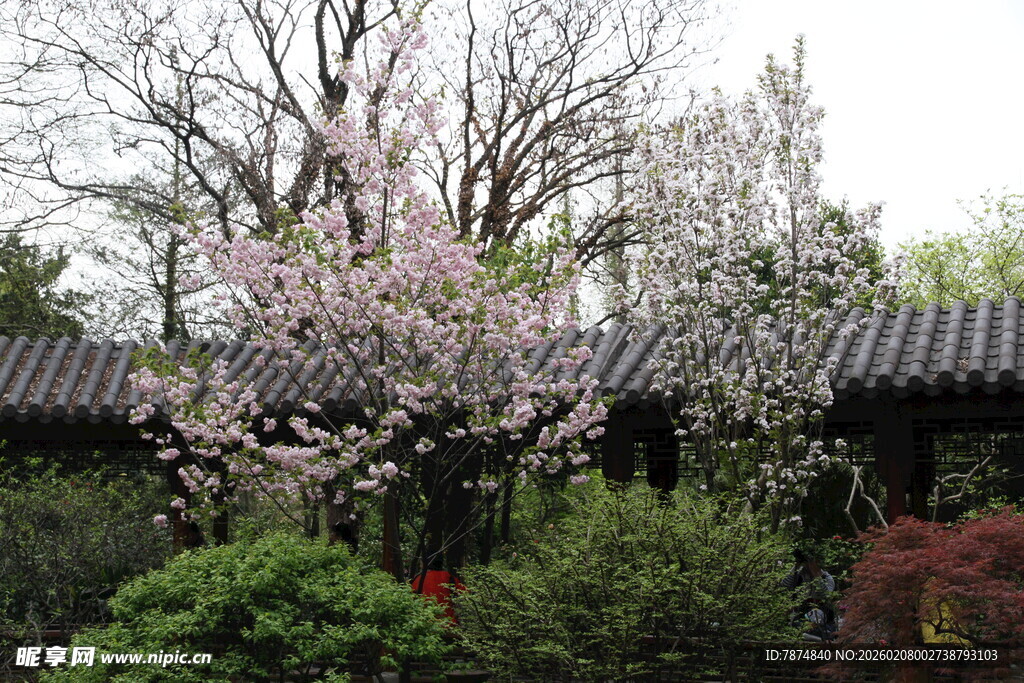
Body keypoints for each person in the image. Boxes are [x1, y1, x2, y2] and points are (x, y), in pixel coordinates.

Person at [782, 549, 839, 641]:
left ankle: (818, 636)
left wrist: (816, 574)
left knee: (821, 626)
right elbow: (785, 585)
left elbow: (825, 595)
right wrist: (796, 566)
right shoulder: (799, 576)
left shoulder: (826, 578)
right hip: (800, 615)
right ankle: (812, 636)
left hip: (821, 617)